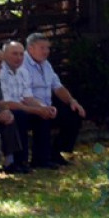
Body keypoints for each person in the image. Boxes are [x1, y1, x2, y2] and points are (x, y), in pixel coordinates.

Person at [22, 33, 85, 168]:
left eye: (48, 48)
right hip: (28, 106)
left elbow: (57, 87)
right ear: (31, 48)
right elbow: (24, 95)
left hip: (47, 105)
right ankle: (40, 160)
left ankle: (56, 152)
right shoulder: (22, 65)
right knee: (43, 116)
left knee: (73, 115)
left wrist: (72, 101)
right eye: (42, 48)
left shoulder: (46, 64)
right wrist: (42, 108)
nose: (46, 52)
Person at [0, 40, 55, 173]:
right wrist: (36, 110)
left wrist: (43, 107)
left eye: (21, 54)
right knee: (21, 116)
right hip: (5, 110)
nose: (18, 58)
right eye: (14, 54)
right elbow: (7, 103)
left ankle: (41, 160)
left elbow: (28, 98)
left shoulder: (23, 72)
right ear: (4, 55)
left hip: (21, 108)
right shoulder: (1, 72)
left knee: (43, 116)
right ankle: (19, 161)